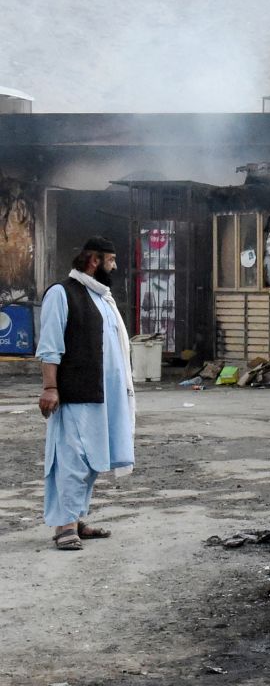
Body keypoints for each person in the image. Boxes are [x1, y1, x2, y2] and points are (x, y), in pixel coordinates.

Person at [36, 236, 135, 551]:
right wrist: (50, 387)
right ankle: (64, 526)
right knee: (71, 459)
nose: (115, 267)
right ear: (94, 260)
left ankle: (76, 519)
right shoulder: (61, 294)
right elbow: (50, 346)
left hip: (105, 395)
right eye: (111, 260)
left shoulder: (102, 297)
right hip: (76, 392)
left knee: (93, 460)